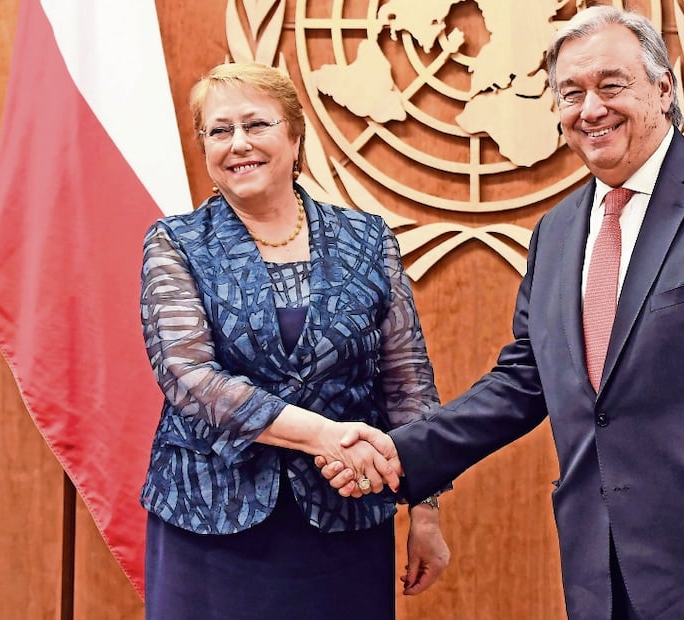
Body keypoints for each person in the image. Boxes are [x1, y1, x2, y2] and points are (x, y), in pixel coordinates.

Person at [320, 7, 684, 620]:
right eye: (571, 93)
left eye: (611, 85)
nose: (591, 108)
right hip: (597, 564)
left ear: (662, 89)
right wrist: (402, 453)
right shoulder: (557, 231)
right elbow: (523, 381)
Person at [139, 62, 449, 620]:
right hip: (211, 521)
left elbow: (407, 379)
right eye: (220, 130)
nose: (239, 144)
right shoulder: (176, 242)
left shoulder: (367, 239)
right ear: (204, 145)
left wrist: (424, 511)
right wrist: (323, 436)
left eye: (257, 125)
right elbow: (190, 378)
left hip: (344, 523)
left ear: (295, 135)